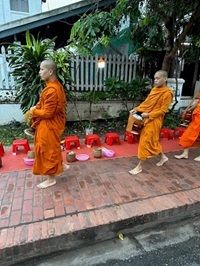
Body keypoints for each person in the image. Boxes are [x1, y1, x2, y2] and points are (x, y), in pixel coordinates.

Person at [29, 59, 67, 188]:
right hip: (52, 123)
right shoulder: (56, 85)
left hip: (49, 124)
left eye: (41, 69)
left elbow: (47, 113)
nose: (39, 72)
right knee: (53, 147)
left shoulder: (52, 90)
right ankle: (60, 165)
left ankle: (51, 179)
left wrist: (34, 111)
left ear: (50, 71)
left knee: (47, 150)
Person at [128, 70, 173, 175]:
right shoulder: (154, 90)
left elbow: (163, 110)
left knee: (145, 142)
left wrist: (149, 115)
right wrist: (137, 109)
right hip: (146, 118)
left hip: (155, 120)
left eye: (158, 78)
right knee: (153, 141)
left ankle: (139, 167)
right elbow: (146, 103)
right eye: (155, 78)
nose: (155, 80)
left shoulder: (167, 93)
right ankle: (163, 157)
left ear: (165, 79)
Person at [174, 93, 200, 161]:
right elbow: (197, 102)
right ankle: (185, 153)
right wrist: (189, 110)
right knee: (187, 135)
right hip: (196, 120)